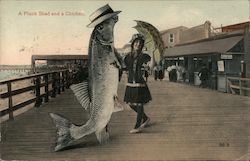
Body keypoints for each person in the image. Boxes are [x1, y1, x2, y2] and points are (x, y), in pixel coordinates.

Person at [123, 34, 152, 134]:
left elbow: (150, 65)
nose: (138, 44)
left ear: (142, 45)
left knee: (139, 104)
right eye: (136, 42)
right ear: (133, 44)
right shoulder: (128, 57)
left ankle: (137, 126)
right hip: (131, 83)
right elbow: (125, 67)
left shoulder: (144, 56)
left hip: (140, 83)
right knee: (131, 104)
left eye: (140, 43)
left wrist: (148, 66)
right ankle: (145, 118)